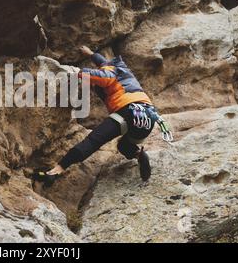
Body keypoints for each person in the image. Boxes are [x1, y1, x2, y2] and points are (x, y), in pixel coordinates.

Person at [45, 45, 159, 182]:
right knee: (124, 145)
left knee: (94, 140)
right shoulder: (123, 72)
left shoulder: (109, 74)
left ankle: (57, 170)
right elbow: (104, 63)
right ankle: (138, 154)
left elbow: (99, 74)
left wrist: (75, 71)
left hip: (129, 110)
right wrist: (90, 54)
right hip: (148, 118)